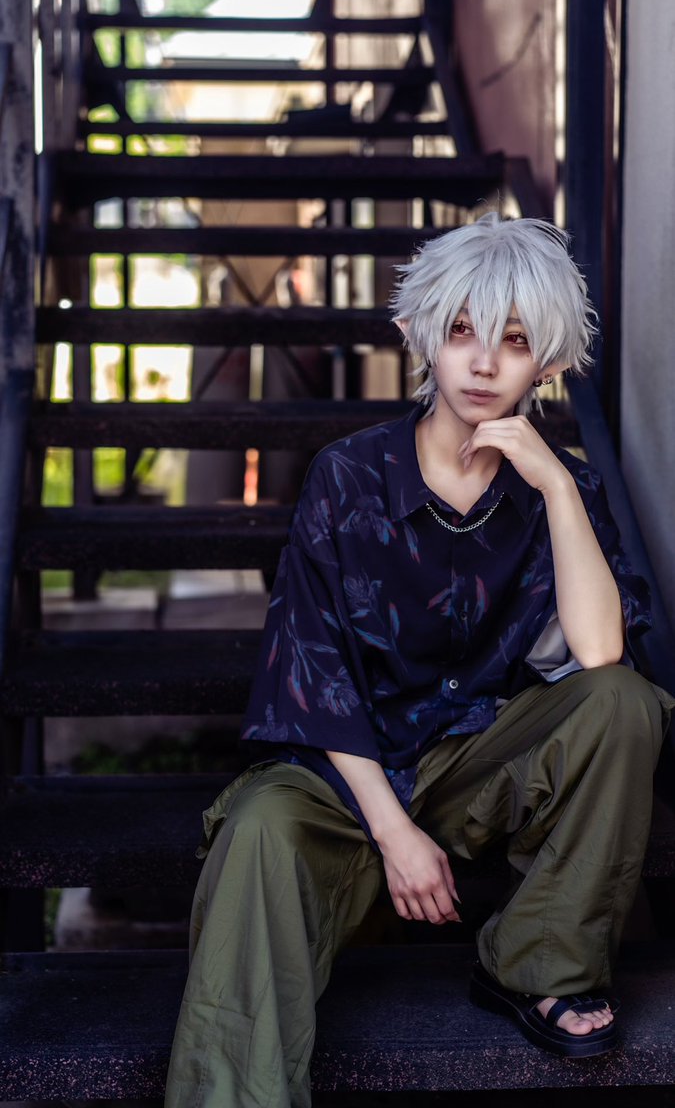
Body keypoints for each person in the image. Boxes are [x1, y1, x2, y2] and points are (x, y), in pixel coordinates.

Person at [164, 213, 673, 1108]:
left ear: (546, 364)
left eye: (515, 341)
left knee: (626, 702)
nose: (482, 363)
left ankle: (540, 965)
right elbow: (311, 675)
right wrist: (394, 834)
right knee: (256, 831)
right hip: (340, 779)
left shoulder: (564, 487)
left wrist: (556, 484)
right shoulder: (347, 477)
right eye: (462, 331)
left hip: (477, 770)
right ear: (419, 334)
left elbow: (600, 657)